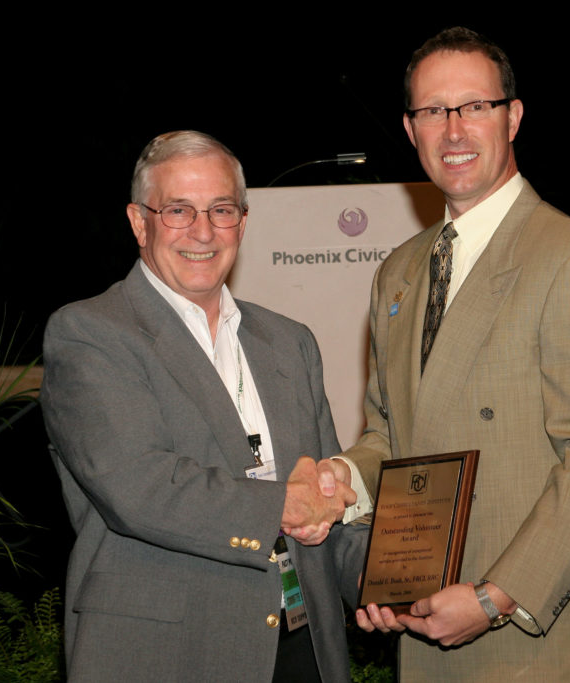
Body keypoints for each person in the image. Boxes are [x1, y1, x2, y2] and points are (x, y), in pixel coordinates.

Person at [318, 27, 570, 682]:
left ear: (514, 117)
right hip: (427, 636)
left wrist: (495, 595)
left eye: (474, 106)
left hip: (537, 647)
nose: (453, 130)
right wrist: (343, 487)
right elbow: (392, 434)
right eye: (432, 112)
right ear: (410, 130)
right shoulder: (399, 273)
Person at [41, 130, 365, 682]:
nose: (203, 231)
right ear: (139, 222)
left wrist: (395, 586)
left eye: (220, 209)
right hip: (167, 654)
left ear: (242, 219)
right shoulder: (91, 333)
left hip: (302, 650)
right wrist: (284, 507)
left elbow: (329, 499)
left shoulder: (290, 342)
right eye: (178, 211)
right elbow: (140, 487)